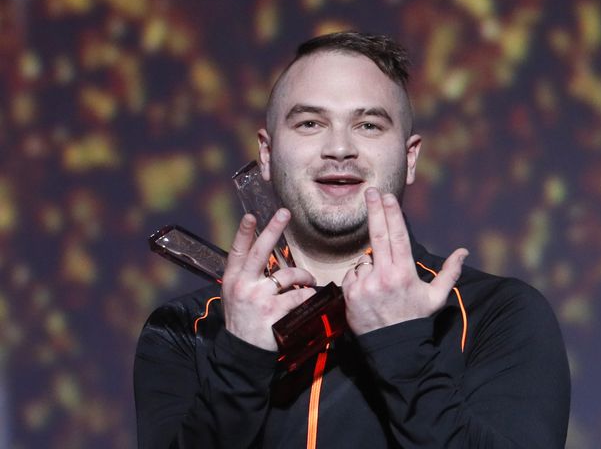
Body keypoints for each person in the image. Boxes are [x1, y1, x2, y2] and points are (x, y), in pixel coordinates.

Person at [134, 32, 571, 448]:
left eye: (368, 125)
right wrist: (242, 359)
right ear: (266, 154)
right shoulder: (184, 330)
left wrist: (402, 346)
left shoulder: (498, 314)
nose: (339, 148)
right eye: (309, 123)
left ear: (410, 156)